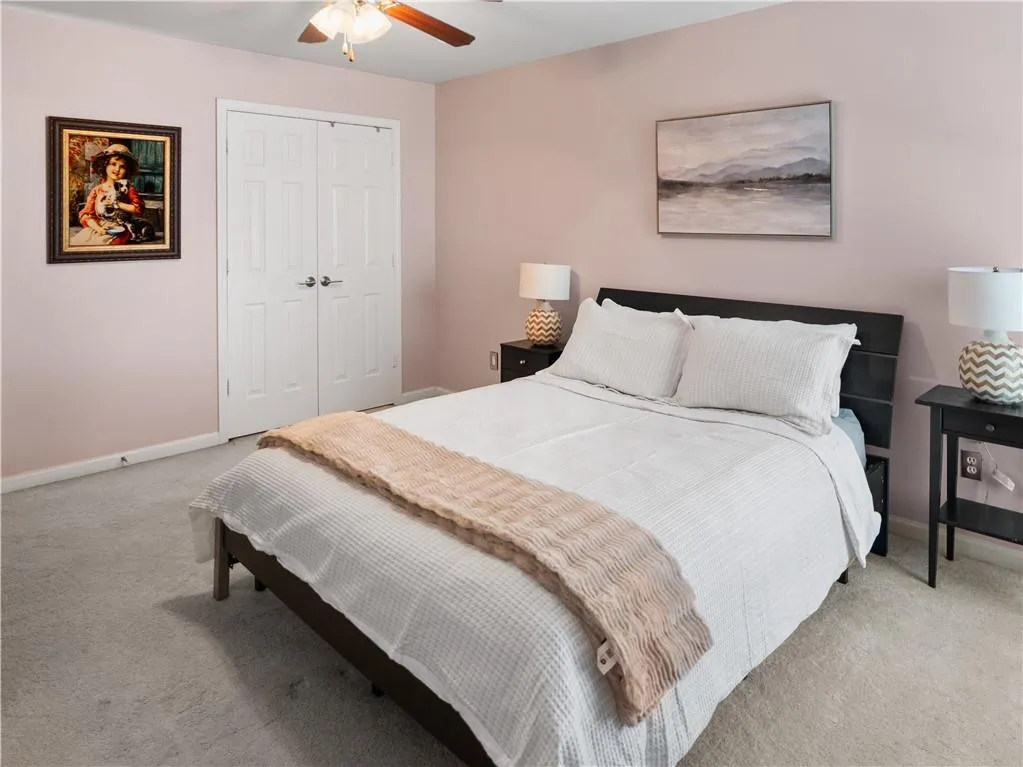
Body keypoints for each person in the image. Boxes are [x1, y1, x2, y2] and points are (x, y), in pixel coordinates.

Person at [69, 144, 150, 246]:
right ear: (105, 165)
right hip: (99, 227)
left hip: (120, 229)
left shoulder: (128, 189)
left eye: (122, 166)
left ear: (127, 170)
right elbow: (86, 215)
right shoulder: (97, 190)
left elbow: (138, 209)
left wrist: (117, 204)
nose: (117, 169)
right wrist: (98, 228)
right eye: (113, 164)